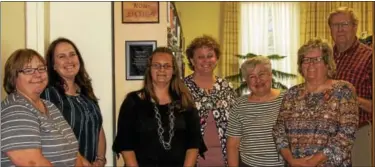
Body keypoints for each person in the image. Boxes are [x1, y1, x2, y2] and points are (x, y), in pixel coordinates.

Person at [273, 38, 359, 167]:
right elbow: (279, 130)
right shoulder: (291, 94)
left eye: (317, 59)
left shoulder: (343, 90)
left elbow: (347, 133)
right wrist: (291, 160)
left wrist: (313, 162)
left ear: (327, 64)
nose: (310, 64)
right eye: (306, 60)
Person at [112, 47, 204, 167]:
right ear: (149, 70)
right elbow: (125, 144)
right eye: (156, 65)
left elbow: (193, 144)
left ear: (174, 70)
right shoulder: (132, 102)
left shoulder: (185, 102)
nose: (162, 70)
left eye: (167, 66)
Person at [1, 49, 82, 166]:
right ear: (13, 77)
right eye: (28, 70)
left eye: (41, 68)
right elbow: (33, 163)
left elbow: (73, 151)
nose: (38, 74)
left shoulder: (49, 106)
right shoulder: (14, 110)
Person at [41, 37, 106, 166]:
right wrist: (82, 162)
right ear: (53, 65)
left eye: (72, 54)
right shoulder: (49, 94)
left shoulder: (86, 93)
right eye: (61, 56)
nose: (69, 60)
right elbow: (52, 137)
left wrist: (100, 160)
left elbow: (98, 128)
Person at [328, 7, 372, 166]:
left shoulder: (369, 57)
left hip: (359, 135)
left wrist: (351, 98)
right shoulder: (324, 58)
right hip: (327, 136)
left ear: (355, 27)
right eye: (335, 25)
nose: (339, 29)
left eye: (344, 24)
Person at [184, 35, 237, 166]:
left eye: (210, 55)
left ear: (217, 58)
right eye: (200, 57)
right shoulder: (181, 88)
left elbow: (237, 124)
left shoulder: (226, 87)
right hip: (191, 160)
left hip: (225, 159)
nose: (206, 60)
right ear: (192, 60)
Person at [226, 56, 285, 167]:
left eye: (262, 74)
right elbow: (232, 146)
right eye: (252, 77)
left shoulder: (287, 99)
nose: (258, 80)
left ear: (270, 75)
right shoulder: (239, 105)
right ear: (246, 81)